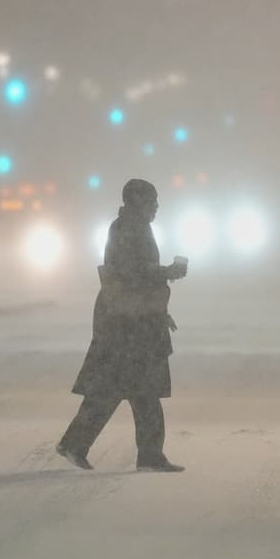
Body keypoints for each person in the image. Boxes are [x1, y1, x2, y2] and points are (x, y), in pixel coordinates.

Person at [56, 178, 187, 472]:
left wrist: (159, 309)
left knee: (119, 390)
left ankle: (78, 444)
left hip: (130, 321)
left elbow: (135, 276)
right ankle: (147, 455)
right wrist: (168, 272)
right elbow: (133, 273)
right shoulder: (129, 229)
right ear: (138, 201)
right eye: (152, 200)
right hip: (128, 325)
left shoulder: (131, 227)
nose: (156, 206)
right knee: (138, 391)